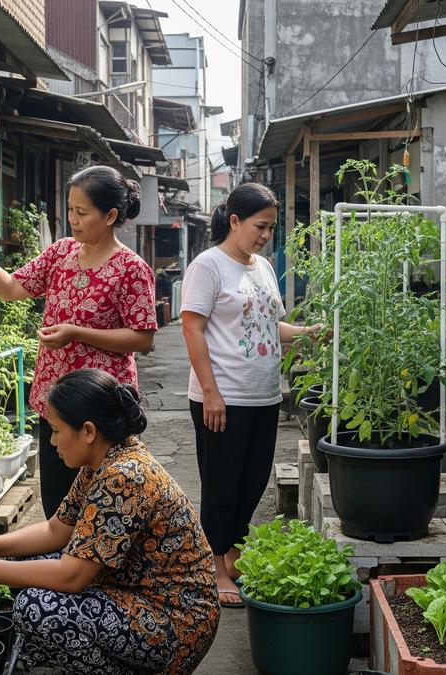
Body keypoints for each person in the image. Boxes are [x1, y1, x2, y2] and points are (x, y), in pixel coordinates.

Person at [0, 369, 218, 675]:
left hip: (175, 623)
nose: (52, 441)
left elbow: (71, 576)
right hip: (134, 594)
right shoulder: (104, 460)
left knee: (37, 607)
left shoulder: (124, 476)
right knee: (22, 564)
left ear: (88, 431)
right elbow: (55, 530)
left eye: (55, 430)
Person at [0, 166, 157, 518]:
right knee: (59, 508)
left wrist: (77, 332)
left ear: (111, 216)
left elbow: (143, 337)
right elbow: (10, 288)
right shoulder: (61, 253)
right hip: (55, 402)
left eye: (82, 212)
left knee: (104, 508)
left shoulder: (131, 268)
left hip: (101, 409)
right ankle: (62, 569)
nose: (73, 220)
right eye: (70, 209)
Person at [181, 183, 321, 608]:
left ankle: (232, 549)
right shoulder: (208, 266)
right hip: (223, 395)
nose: (265, 235)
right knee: (222, 484)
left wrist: (307, 334)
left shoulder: (260, 266)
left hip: (263, 395)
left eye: (271, 228)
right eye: (260, 226)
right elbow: (192, 327)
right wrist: (210, 393)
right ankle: (216, 567)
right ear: (235, 221)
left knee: (253, 481)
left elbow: (267, 325)